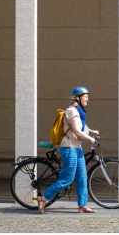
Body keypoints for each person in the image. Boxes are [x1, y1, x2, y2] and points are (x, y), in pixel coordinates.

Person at [38, 86, 100, 214]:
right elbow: (77, 131)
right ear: (77, 98)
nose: (87, 99)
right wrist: (91, 139)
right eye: (85, 97)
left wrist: (92, 131)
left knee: (82, 177)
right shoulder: (72, 111)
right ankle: (43, 198)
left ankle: (82, 205)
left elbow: (81, 126)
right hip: (69, 148)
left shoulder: (79, 111)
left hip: (77, 148)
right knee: (67, 179)